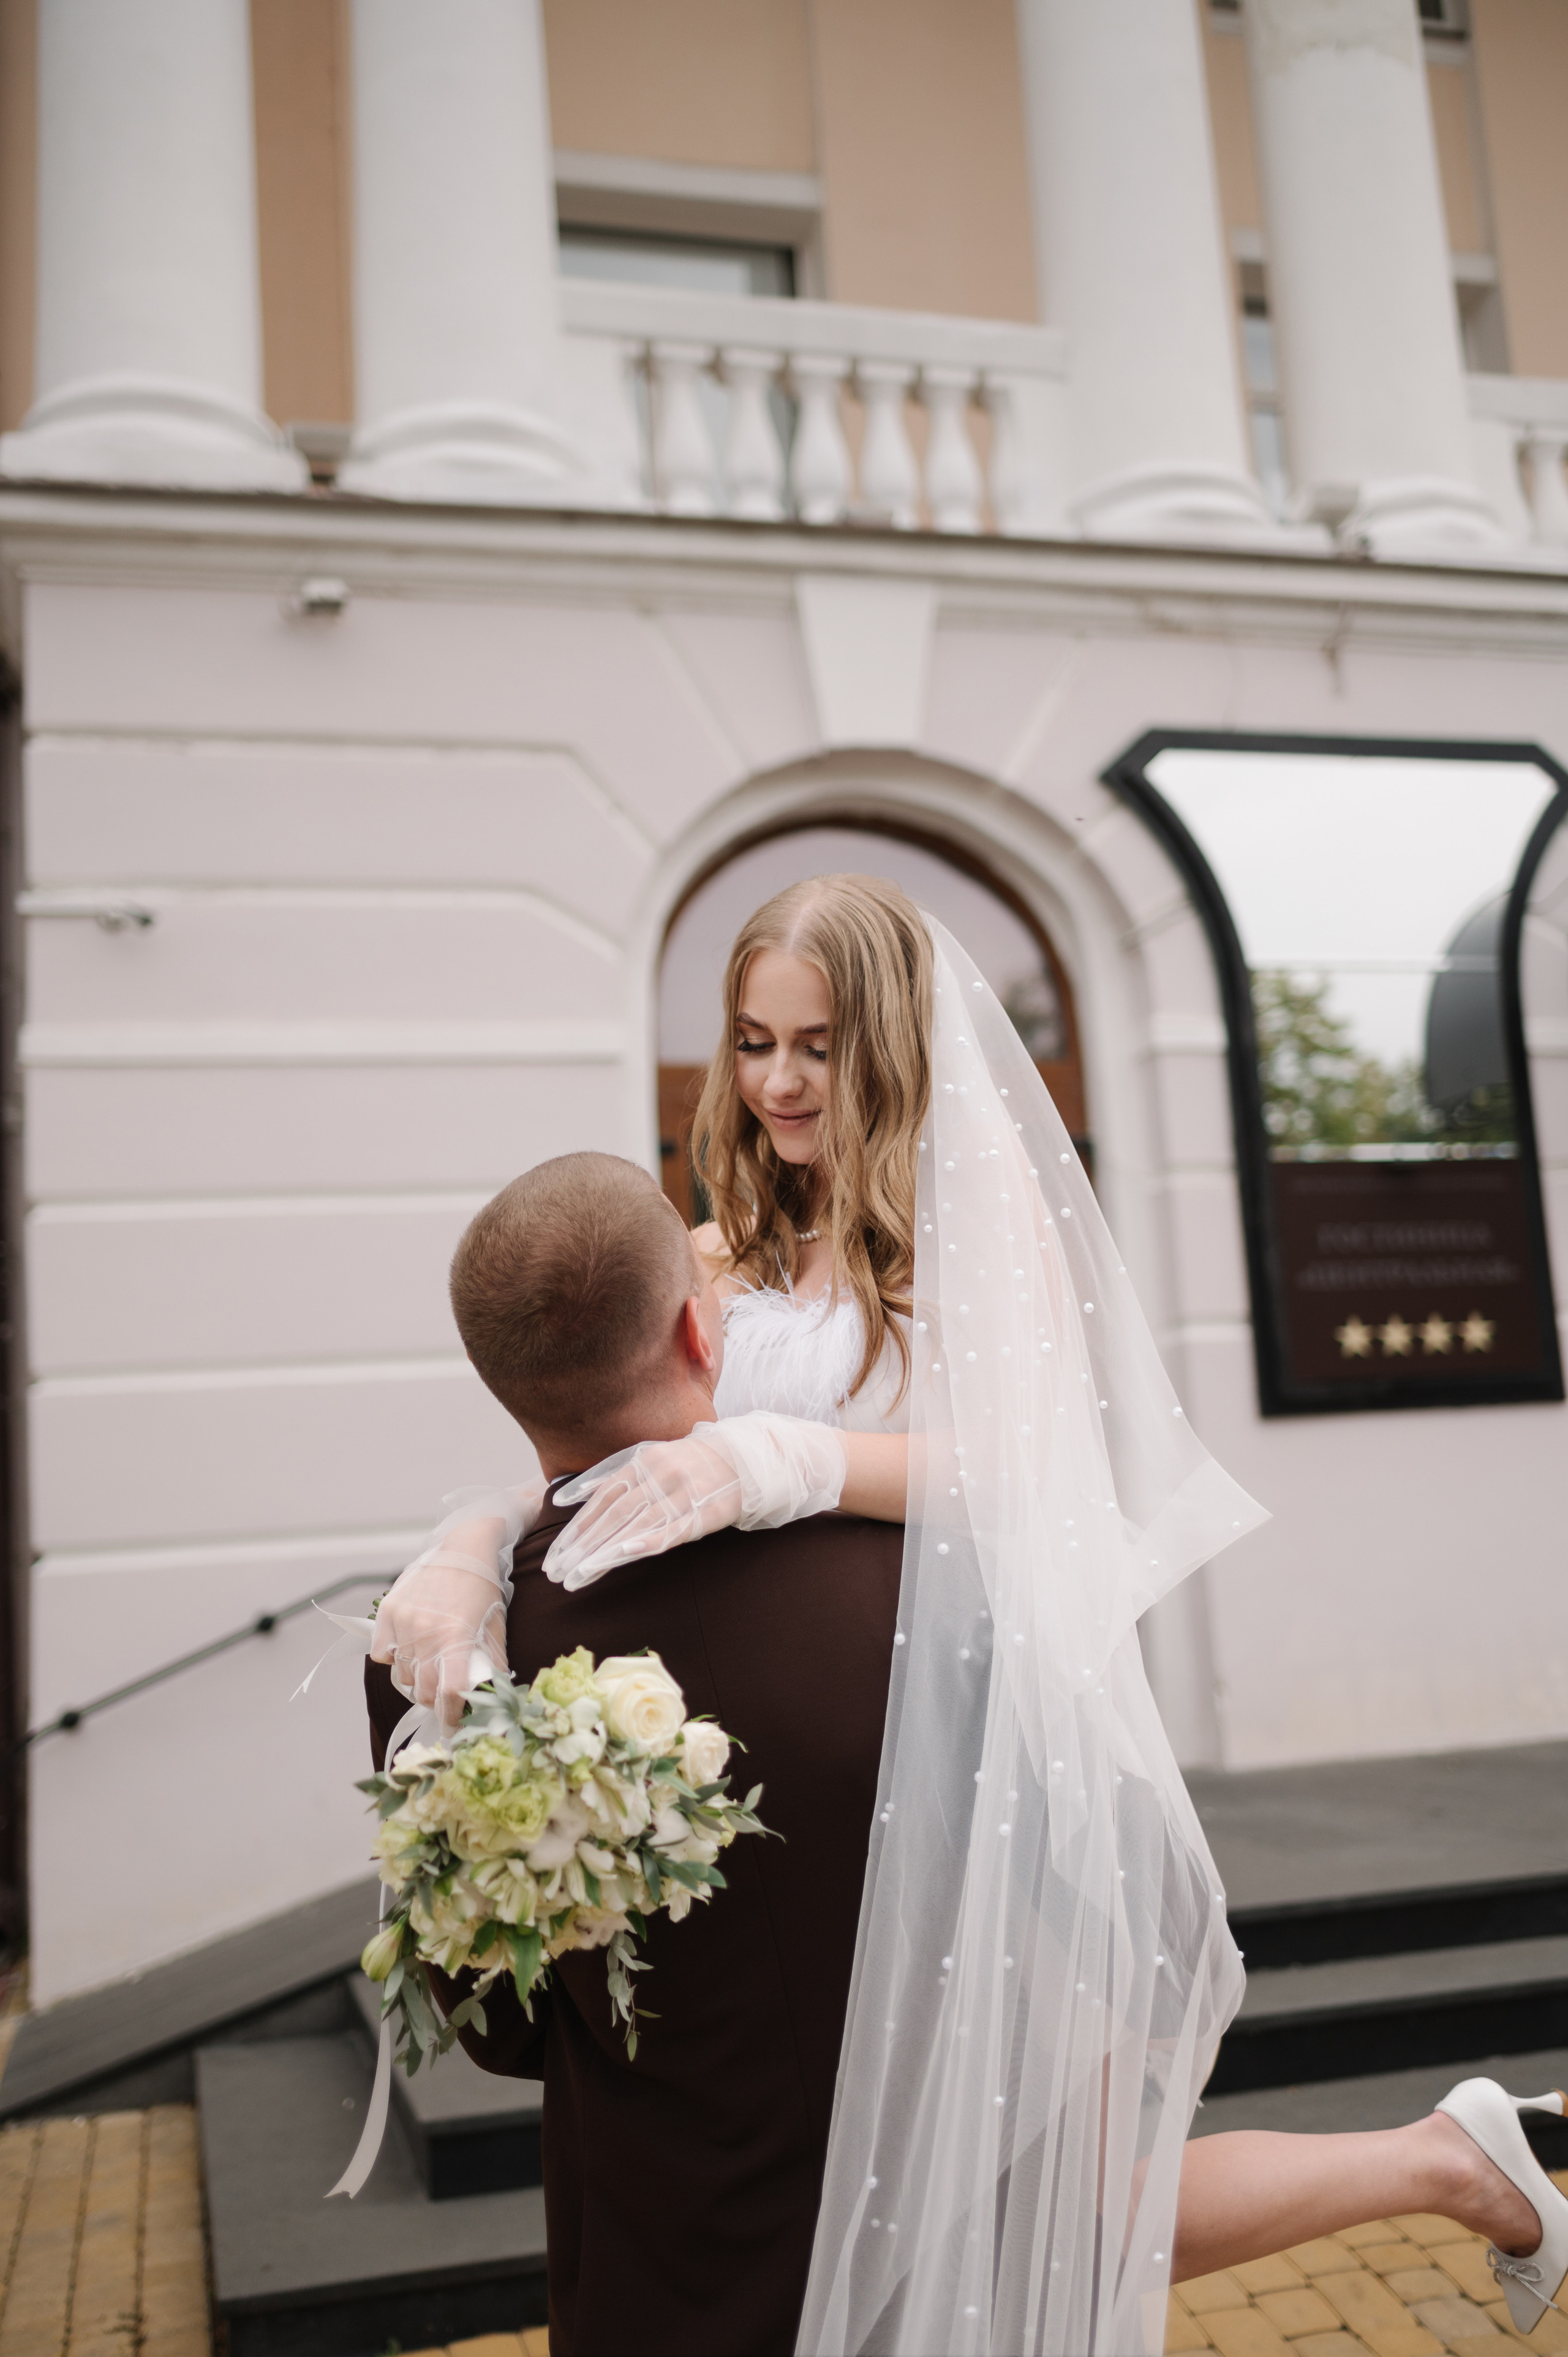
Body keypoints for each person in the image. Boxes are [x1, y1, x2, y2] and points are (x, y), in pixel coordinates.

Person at [372, 876, 1567, 2354]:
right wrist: (463, 1540)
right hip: (795, 1796)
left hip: (978, 1766)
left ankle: (1452, 2163)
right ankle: (1453, 2161)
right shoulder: (711, 1251)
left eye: (816, 1044)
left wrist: (783, 1457)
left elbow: (1032, 1478)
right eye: (751, 1043)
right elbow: (585, 1458)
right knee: (950, 2213)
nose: (779, 1083)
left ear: (888, 1043)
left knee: (1048, 2204)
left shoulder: (973, 1237)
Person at [366, 1149, 905, 2356]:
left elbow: (494, 2024)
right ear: (696, 1331)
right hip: (897, 2239)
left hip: (646, 2256)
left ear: (500, 1383)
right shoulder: (895, 1583)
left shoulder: (440, 1648)